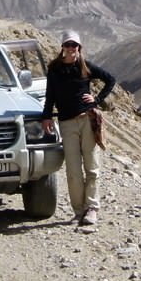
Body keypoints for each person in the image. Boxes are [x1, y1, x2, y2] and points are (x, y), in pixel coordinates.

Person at [40, 29, 116, 226]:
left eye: (75, 45)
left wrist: (97, 99)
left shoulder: (85, 67)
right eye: (68, 45)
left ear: (79, 47)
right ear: (62, 47)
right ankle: (78, 211)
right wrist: (46, 116)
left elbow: (110, 79)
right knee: (73, 171)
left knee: (91, 167)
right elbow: (50, 96)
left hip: (86, 121)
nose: (71, 49)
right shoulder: (54, 69)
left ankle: (92, 208)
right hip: (66, 124)